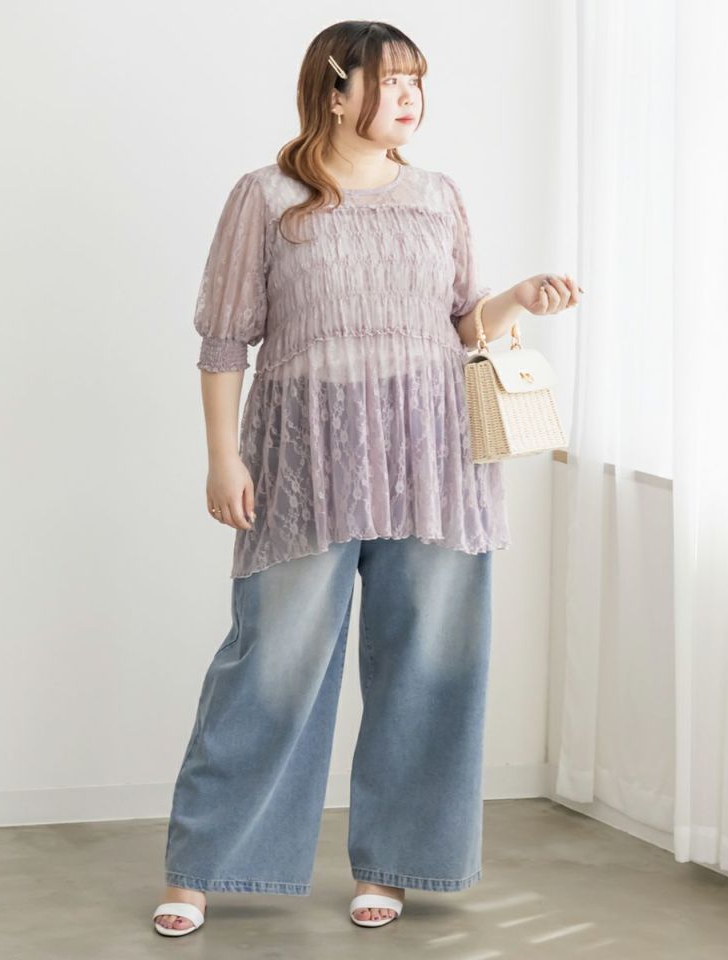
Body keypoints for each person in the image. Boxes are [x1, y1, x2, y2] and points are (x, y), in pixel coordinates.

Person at [152, 19, 580, 938]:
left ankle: (394, 862)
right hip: (305, 463)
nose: (409, 97)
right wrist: (223, 456)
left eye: (417, 80)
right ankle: (202, 868)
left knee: (428, 666)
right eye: (389, 81)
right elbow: (224, 340)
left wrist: (517, 299)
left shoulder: (437, 196)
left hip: (434, 462)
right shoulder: (267, 197)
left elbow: (459, 325)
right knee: (272, 665)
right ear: (335, 91)